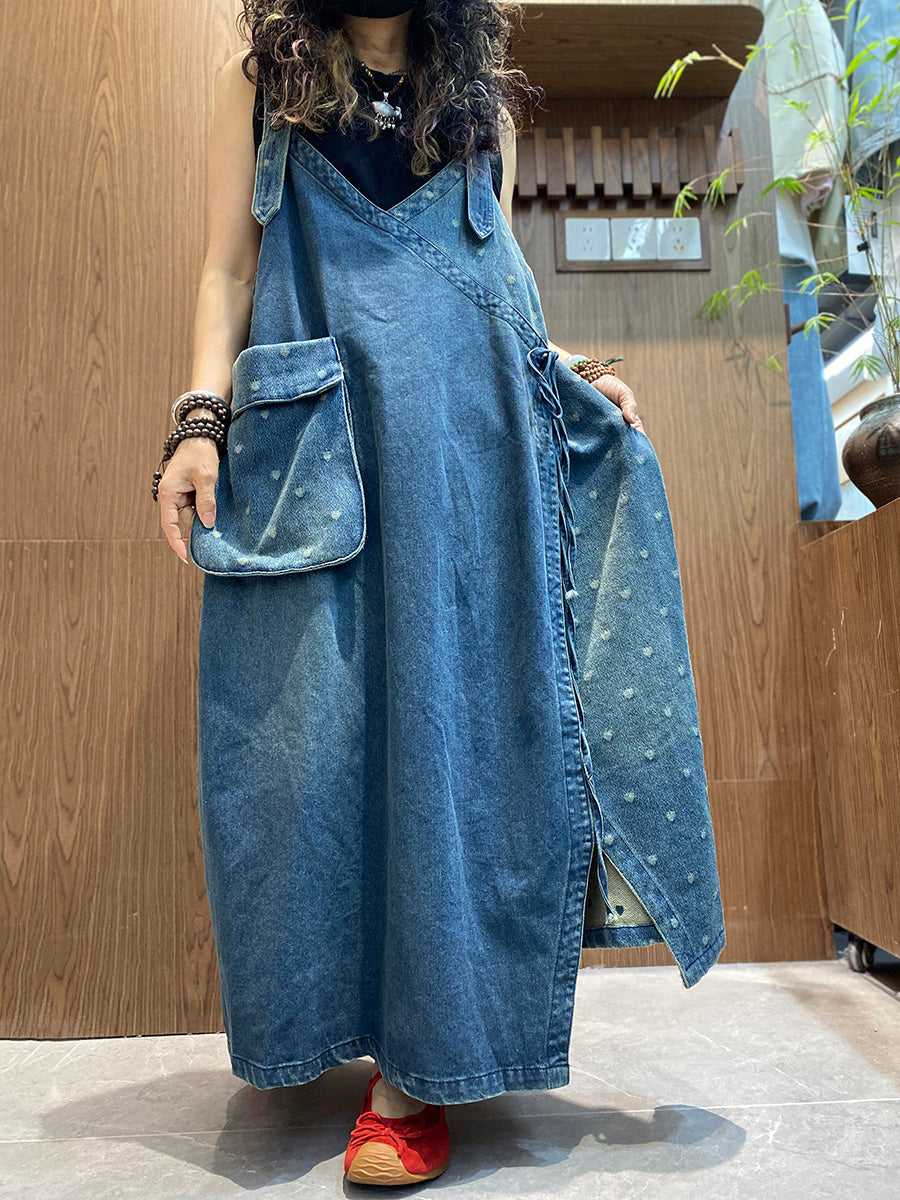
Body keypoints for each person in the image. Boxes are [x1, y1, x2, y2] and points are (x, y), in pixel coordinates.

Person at [154, 0, 726, 1187]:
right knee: (305, 750)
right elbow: (228, 265)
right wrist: (199, 421)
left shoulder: (482, 98)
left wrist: (565, 369)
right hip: (316, 442)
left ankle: (419, 1071)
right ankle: (333, 1022)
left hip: (465, 449)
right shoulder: (262, 81)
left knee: (449, 744)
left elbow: (491, 277)